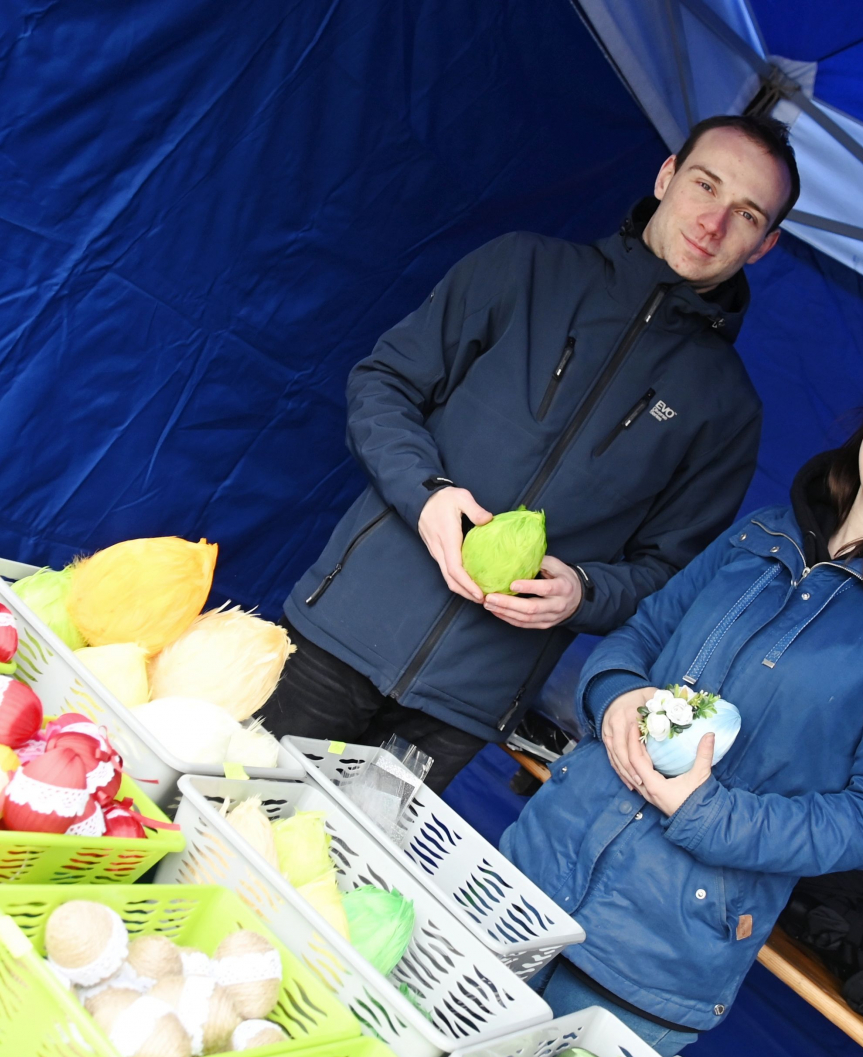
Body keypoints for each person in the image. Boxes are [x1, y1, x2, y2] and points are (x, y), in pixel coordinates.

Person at [500, 350, 863, 1057]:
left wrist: (707, 814)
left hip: (658, 950)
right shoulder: (762, 531)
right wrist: (616, 695)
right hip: (532, 871)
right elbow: (639, 635)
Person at [262, 114, 801, 792]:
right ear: (667, 176)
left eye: (746, 214)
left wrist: (584, 593)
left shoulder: (727, 408)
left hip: (461, 707)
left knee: (337, 860)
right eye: (705, 184)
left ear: (765, 244)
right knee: (221, 817)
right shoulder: (525, 267)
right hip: (339, 635)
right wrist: (426, 494)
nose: (713, 222)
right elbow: (382, 385)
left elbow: (670, 573)